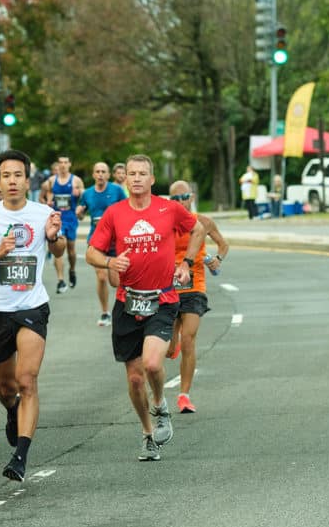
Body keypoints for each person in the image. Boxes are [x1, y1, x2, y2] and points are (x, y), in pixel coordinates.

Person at [85, 155, 205, 462]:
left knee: (152, 364)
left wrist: (187, 263)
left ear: (152, 180)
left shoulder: (169, 209)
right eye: (132, 174)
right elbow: (91, 252)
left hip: (163, 299)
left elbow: (198, 230)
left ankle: (161, 405)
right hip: (128, 301)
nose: (137, 178)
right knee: (135, 378)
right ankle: (147, 431)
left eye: (143, 174)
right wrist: (110, 261)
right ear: (126, 180)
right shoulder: (114, 214)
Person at [0, 149, 65, 482]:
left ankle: (20, 455)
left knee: (26, 380)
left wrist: (54, 237)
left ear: (27, 179)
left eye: (18, 175)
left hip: (32, 307)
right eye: (6, 175)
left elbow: (60, 248)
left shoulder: (43, 212)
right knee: (5, 388)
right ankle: (12, 412)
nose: (13, 181)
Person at [166, 181, 229, 414]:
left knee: (189, 339)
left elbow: (223, 245)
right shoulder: (165, 223)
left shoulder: (203, 221)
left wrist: (217, 260)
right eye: (175, 199)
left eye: (183, 197)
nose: (180, 202)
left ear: (191, 197)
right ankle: (172, 345)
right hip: (169, 287)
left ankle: (184, 395)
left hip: (195, 285)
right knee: (170, 347)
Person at [76, 162, 126, 326]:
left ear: (108, 175)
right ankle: (105, 312)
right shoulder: (87, 193)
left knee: (116, 281)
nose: (100, 174)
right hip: (96, 241)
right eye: (97, 171)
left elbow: (128, 209)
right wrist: (80, 213)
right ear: (93, 174)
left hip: (116, 241)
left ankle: (124, 309)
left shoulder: (117, 191)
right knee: (102, 277)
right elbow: (81, 216)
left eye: (103, 171)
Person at [43, 156, 84, 293]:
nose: (63, 165)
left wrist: (78, 195)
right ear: (58, 165)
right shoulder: (51, 181)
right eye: (60, 162)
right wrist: (47, 203)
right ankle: (60, 280)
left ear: (70, 164)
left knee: (71, 250)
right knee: (59, 247)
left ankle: (72, 270)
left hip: (71, 218)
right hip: (57, 219)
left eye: (66, 162)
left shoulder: (76, 180)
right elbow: (42, 195)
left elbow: (83, 201)